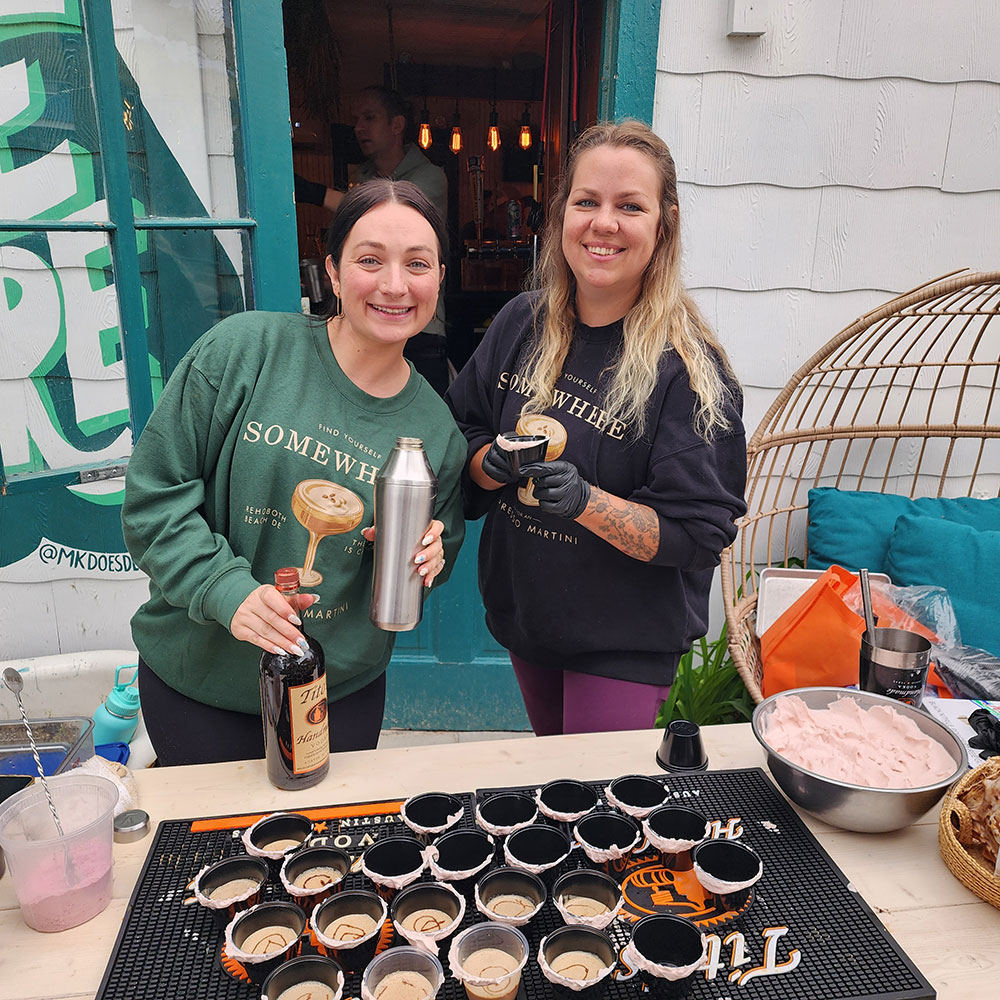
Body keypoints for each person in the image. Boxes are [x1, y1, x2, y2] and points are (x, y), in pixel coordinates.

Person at [122, 179, 466, 765]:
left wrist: (430, 553)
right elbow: (155, 498)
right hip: (202, 685)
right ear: (332, 273)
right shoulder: (244, 351)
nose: (394, 285)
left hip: (336, 697)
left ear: (437, 278)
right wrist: (227, 591)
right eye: (369, 260)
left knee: (324, 854)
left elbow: (443, 542)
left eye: (417, 264)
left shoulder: (438, 433)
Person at [445, 120, 747, 737]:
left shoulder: (686, 370)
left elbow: (699, 531)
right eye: (587, 202)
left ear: (663, 227)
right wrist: (488, 464)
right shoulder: (520, 323)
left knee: (599, 818)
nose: (603, 223)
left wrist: (586, 503)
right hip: (529, 618)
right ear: (561, 216)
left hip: (623, 641)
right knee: (557, 802)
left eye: (629, 206)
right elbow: (463, 426)